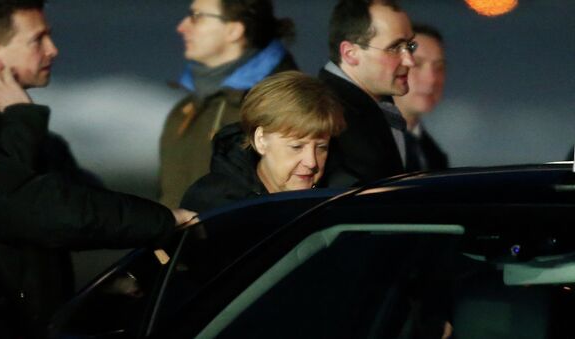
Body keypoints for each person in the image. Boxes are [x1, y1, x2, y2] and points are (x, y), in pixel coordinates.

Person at [0, 1, 196, 338]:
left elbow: (87, 205)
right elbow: (36, 209)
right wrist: (163, 220)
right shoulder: (7, 122)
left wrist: (115, 281)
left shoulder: (37, 132)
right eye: (38, 39)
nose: (53, 49)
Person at [159, 0, 298, 210]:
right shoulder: (186, 111)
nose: (182, 27)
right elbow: (170, 198)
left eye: (197, 16)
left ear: (234, 30)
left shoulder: (286, 103)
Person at [180, 71, 346, 213]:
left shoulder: (343, 198)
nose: (311, 162)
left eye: (321, 147)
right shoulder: (216, 204)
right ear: (261, 140)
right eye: (297, 147)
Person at [319, 0, 417, 188]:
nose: (410, 61)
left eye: (410, 46)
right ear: (350, 53)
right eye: (395, 48)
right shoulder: (321, 111)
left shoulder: (377, 105)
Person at [393, 24, 449, 172]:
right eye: (416, 64)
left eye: (439, 67)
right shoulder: (354, 143)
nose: (431, 79)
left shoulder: (434, 155)